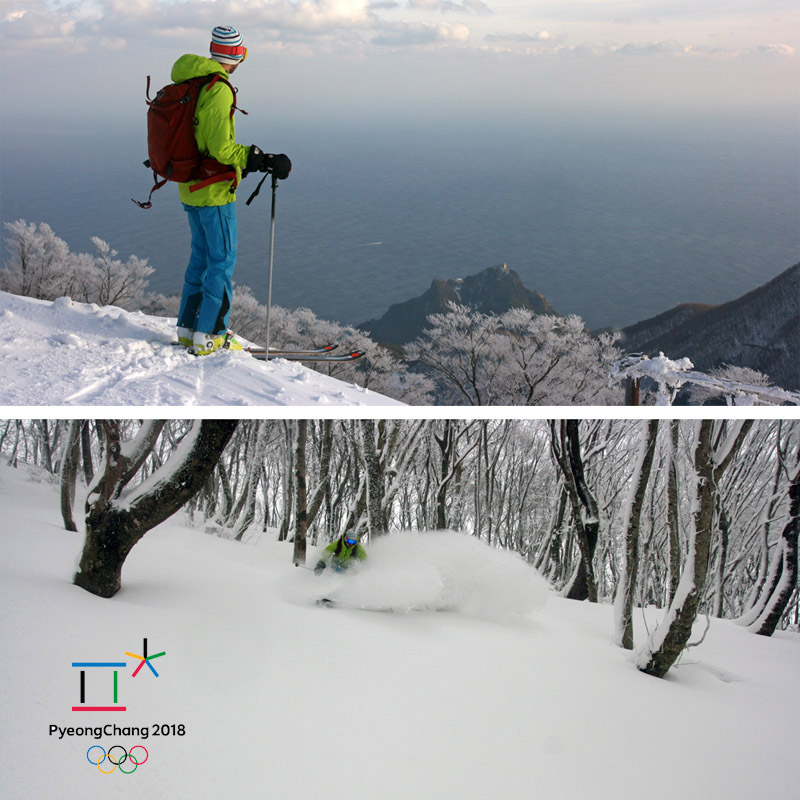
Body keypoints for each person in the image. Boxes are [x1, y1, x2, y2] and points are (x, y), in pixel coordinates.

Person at [174, 25, 292, 356]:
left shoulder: (190, 81)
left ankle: (188, 328)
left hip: (190, 187)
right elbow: (221, 149)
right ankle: (211, 334)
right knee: (222, 261)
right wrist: (258, 157)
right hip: (213, 191)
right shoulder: (218, 89)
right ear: (235, 56)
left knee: (200, 258)